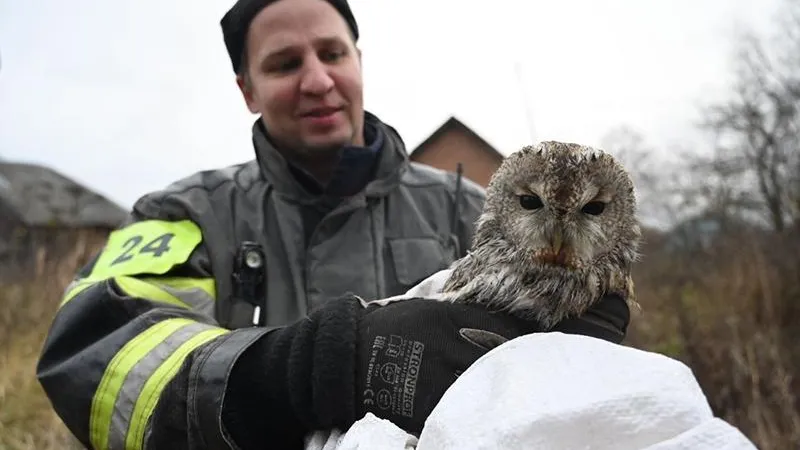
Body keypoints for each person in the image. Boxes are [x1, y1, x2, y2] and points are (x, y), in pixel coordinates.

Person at [35, 0, 631, 449]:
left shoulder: (467, 206)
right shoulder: (188, 212)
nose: (318, 79)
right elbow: (98, 354)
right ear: (247, 90)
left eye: (332, 53)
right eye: (286, 63)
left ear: (359, 61)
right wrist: (297, 370)